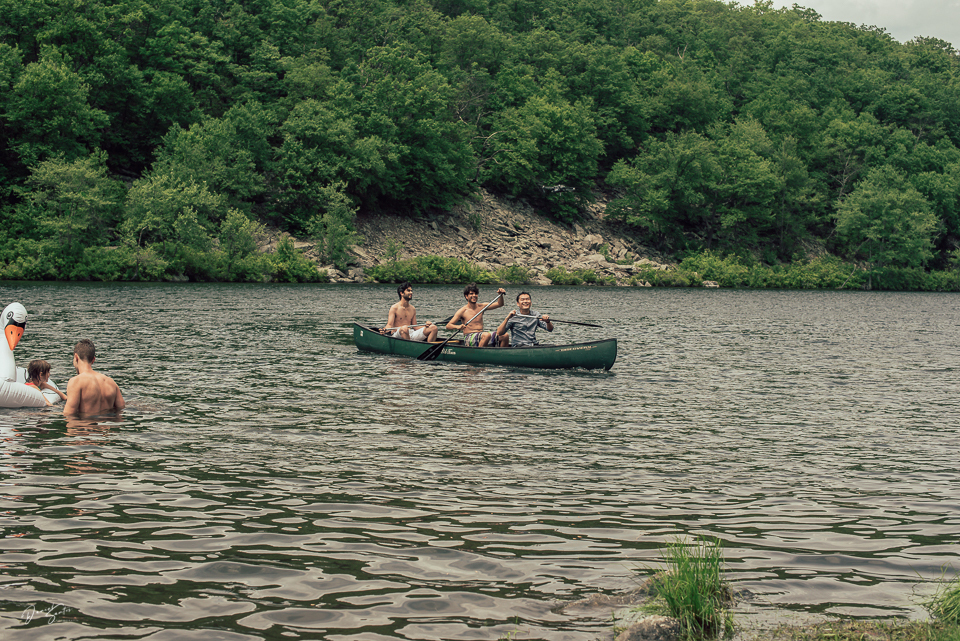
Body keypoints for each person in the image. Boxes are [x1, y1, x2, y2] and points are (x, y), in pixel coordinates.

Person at [63, 339, 125, 417]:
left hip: (85, 424)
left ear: (76, 357)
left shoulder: (76, 381)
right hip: (107, 424)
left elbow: (69, 415)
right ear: (93, 360)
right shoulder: (111, 382)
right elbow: (121, 411)